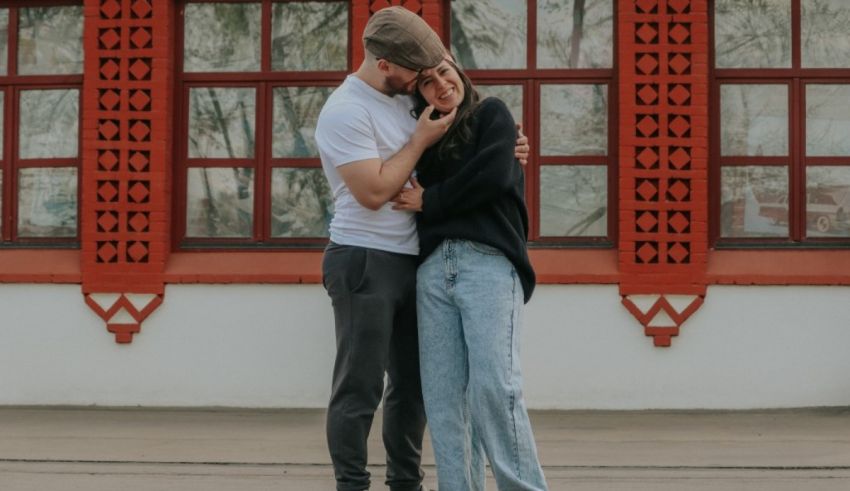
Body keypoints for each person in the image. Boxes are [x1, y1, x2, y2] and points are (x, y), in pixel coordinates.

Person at [314, 7, 529, 491]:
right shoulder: (346, 110)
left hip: (418, 262)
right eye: (416, 71)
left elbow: (464, 153)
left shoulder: (407, 99)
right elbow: (374, 193)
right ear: (386, 63)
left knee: (412, 388)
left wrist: (508, 148)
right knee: (359, 387)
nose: (424, 81)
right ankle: (352, 485)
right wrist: (418, 141)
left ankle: (405, 484)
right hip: (364, 258)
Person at [392, 58, 549, 490]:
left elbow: (495, 176)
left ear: (459, 73)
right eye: (427, 82)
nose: (441, 85)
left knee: (496, 390)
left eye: (445, 72)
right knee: (444, 403)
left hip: (488, 264)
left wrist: (432, 201)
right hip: (431, 274)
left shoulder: (491, 114)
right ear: (417, 93)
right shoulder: (421, 137)